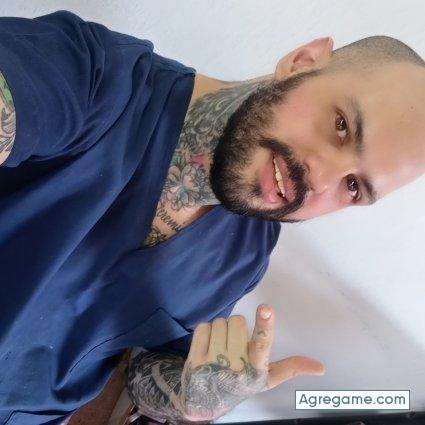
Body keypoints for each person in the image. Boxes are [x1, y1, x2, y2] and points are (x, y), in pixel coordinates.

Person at [0, 9, 424, 425]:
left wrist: (195, 398)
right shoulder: (99, 78)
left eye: (354, 186)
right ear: (302, 62)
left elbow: (147, 369)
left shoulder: (244, 256)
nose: (321, 178)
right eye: (341, 125)